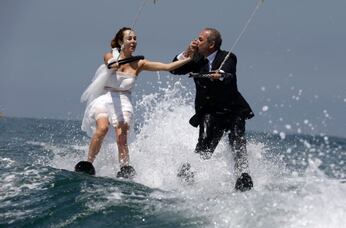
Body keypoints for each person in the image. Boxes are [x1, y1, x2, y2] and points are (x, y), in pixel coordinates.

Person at [77, 27, 193, 178]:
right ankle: (88, 163)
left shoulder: (140, 63)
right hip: (106, 98)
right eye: (129, 38)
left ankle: (124, 168)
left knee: (122, 136)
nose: (133, 41)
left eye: (135, 39)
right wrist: (113, 63)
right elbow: (109, 62)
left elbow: (167, 67)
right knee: (102, 128)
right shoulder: (110, 55)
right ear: (121, 41)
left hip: (124, 100)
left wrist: (190, 57)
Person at [170, 27, 254, 191]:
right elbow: (174, 69)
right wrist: (188, 51)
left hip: (233, 110)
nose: (196, 41)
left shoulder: (227, 57)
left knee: (237, 142)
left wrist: (220, 74)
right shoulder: (196, 60)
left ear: (211, 44)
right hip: (210, 111)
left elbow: (228, 70)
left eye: (200, 39)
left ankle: (242, 176)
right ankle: (188, 174)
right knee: (204, 147)